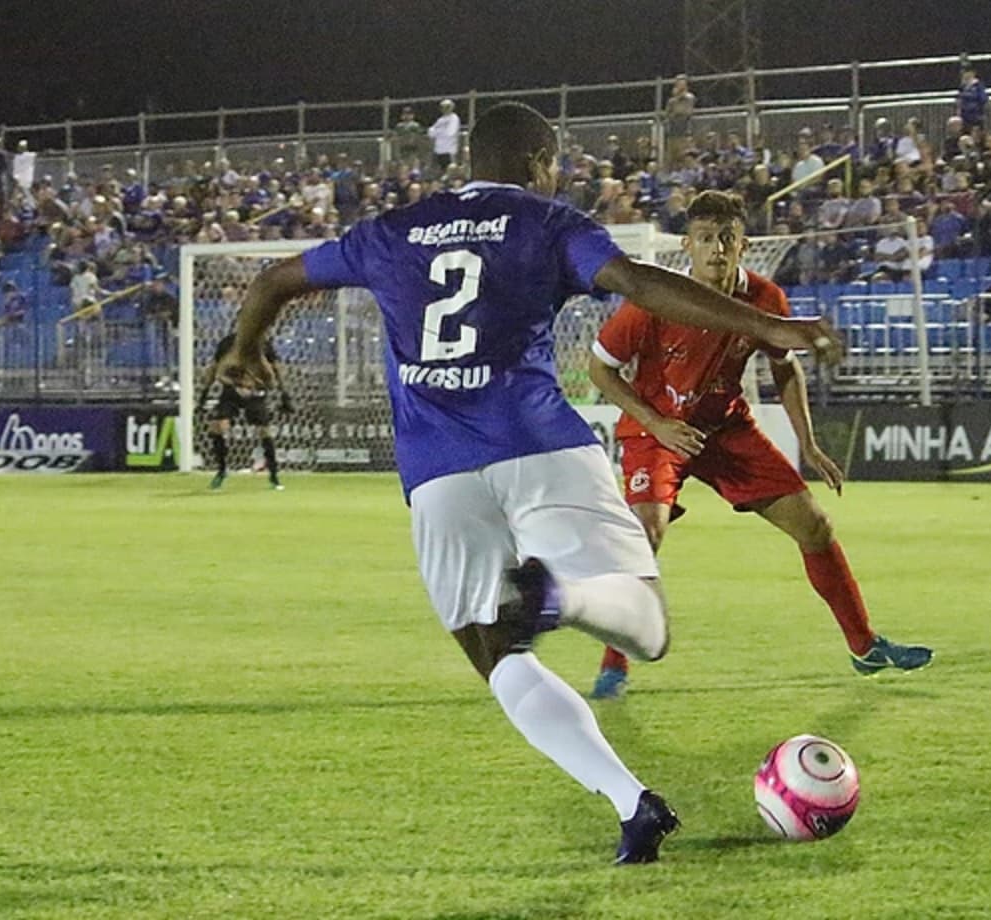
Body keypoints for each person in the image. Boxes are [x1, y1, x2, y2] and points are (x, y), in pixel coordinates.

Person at [217, 101, 839, 865]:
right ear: (542, 162)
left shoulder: (392, 231)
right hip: (538, 443)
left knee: (497, 652)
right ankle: (561, 597)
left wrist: (246, 351)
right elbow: (637, 282)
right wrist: (767, 326)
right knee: (646, 624)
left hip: (436, 475)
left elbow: (276, 279)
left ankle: (629, 802)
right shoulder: (545, 221)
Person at [583, 191, 932, 699]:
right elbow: (601, 369)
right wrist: (656, 425)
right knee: (646, 533)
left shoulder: (766, 299)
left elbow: (784, 366)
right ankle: (615, 664)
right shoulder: (655, 298)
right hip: (658, 429)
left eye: (727, 239)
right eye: (706, 239)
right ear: (687, 245)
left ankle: (865, 646)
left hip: (726, 429)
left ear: (743, 244)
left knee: (814, 525)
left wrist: (807, 443)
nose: (717, 250)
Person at [201, 329, 292, 491]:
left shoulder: (263, 345)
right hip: (231, 392)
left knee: (264, 431)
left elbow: (275, 369)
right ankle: (221, 471)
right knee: (217, 427)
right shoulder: (228, 343)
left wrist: (284, 393)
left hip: (255, 393)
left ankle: (274, 476)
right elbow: (215, 369)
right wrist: (205, 393)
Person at [428, 99, 462, 173]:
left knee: (450, 172)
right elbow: (430, 132)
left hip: (449, 151)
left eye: (448, 107)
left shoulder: (454, 118)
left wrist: (437, 132)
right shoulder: (440, 120)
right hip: (438, 151)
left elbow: (450, 132)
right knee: (439, 172)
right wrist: (442, 131)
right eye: (443, 107)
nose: (445, 109)